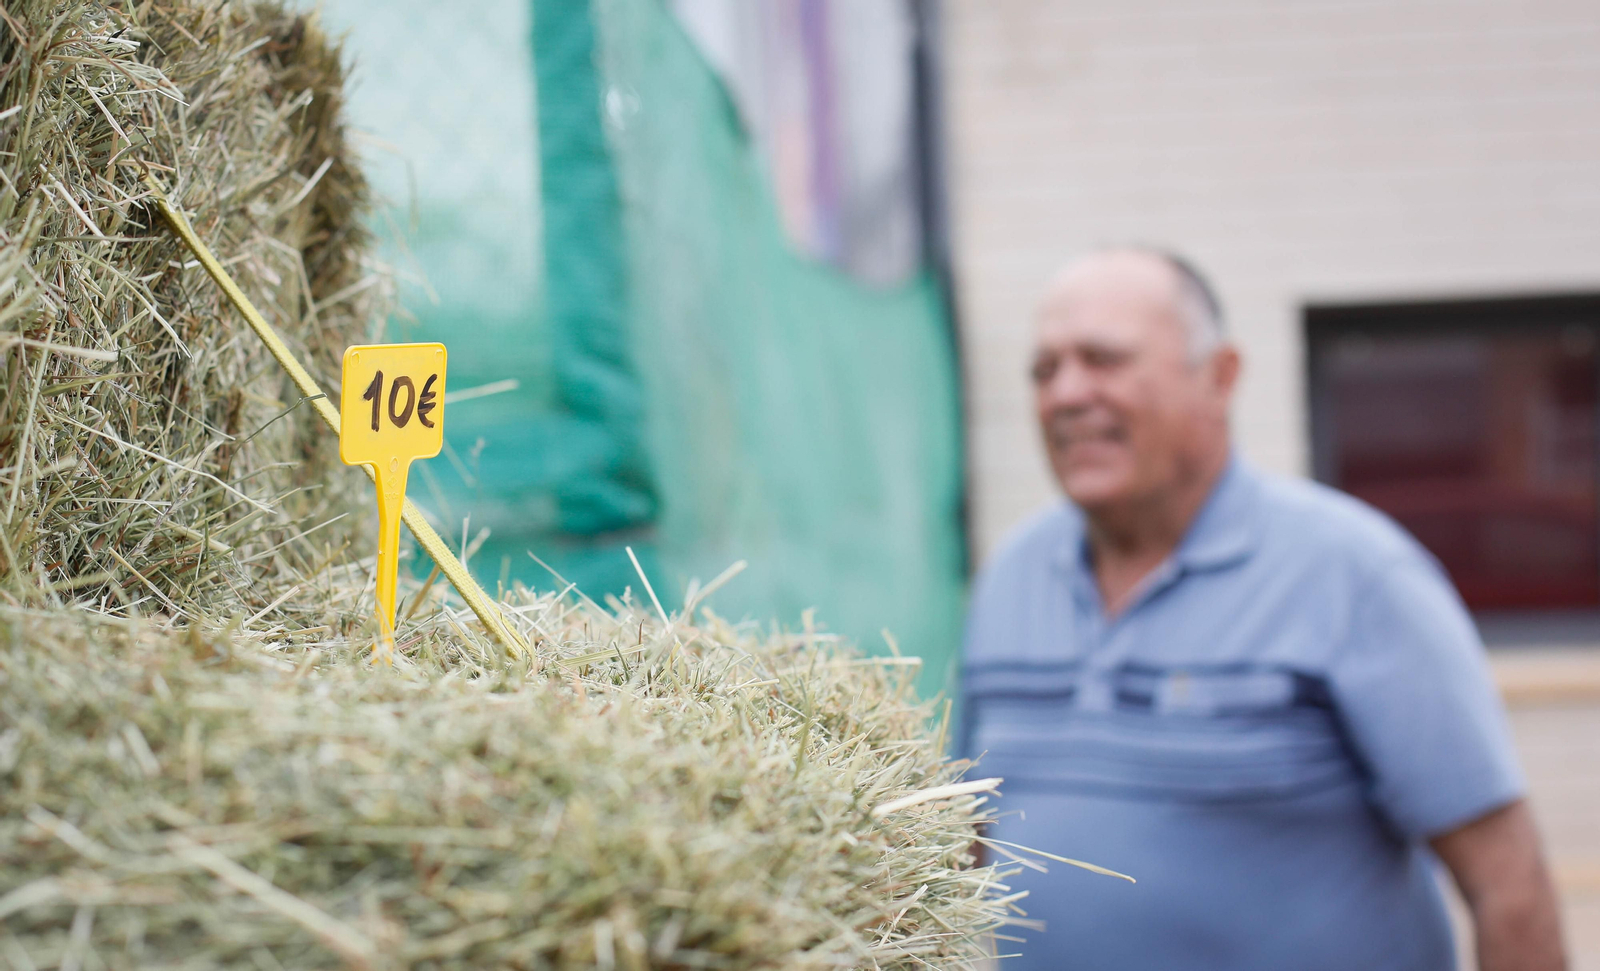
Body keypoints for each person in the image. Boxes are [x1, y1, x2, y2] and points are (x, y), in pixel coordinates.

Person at [958, 248, 1567, 970]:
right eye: (1044, 369)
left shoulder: (1356, 573)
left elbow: (1510, 883)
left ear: (1220, 376)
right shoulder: (1009, 577)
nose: (1066, 393)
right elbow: (968, 838)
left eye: (1103, 359)